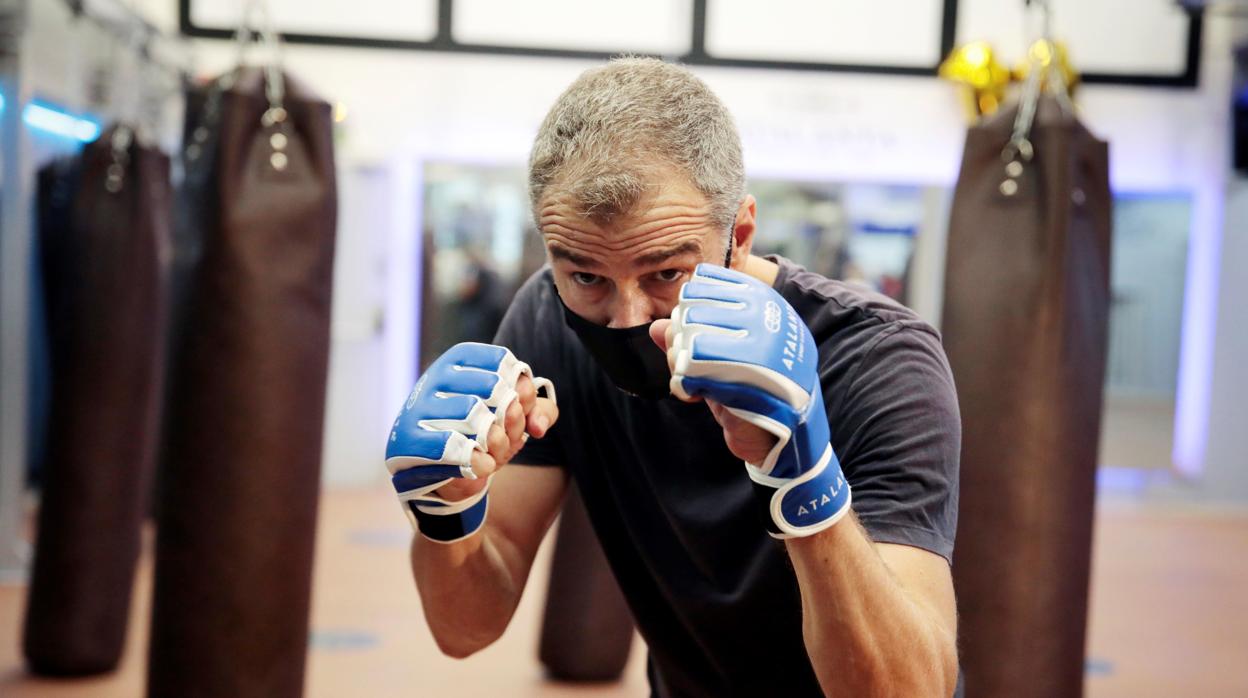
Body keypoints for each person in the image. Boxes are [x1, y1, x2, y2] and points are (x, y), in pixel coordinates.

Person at [385, 58, 961, 697]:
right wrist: (445, 511)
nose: (627, 319)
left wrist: (805, 478)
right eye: (588, 277)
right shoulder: (549, 322)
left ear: (737, 236)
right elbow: (465, 631)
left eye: (666, 273)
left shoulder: (878, 358)